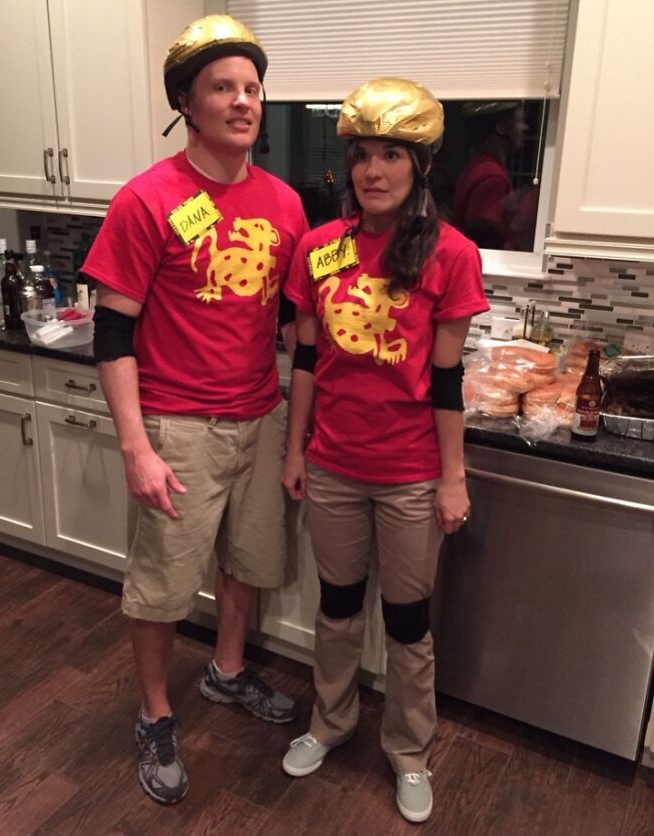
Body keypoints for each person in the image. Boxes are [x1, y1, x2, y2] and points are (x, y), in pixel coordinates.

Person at [82, 14, 308, 806]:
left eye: (252, 87)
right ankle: (154, 713)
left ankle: (229, 671)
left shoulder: (285, 205)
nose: (243, 101)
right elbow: (111, 335)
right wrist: (137, 448)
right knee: (161, 586)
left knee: (247, 563)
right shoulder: (147, 201)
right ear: (189, 100)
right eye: (223, 87)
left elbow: (293, 322)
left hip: (259, 414)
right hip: (177, 425)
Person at [280, 77, 489, 823]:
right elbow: (305, 360)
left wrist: (453, 479)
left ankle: (407, 750)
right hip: (334, 462)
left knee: (407, 623)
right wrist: (296, 449)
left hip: (410, 476)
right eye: (362, 155)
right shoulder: (318, 249)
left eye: (391, 155)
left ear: (420, 166)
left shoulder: (452, 255)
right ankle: (329, 723)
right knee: (336, 610)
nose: (373, 170)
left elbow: (446, 378)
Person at [452, 101, 530, 250]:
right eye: (520, 121)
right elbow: (483, 240)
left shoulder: (478, 166)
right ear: (502, 128)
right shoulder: (492, 178)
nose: (525, 128)